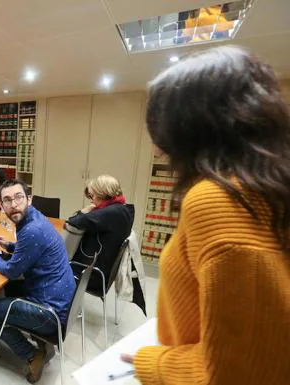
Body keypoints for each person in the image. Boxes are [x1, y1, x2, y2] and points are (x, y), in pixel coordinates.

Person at [121, 46, 290, 384]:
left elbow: (239, 372)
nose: (157, 148)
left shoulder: (217, 201)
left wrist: (152, 362)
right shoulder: (270, 190)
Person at [0, 180, 75, 383]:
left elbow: (12, 271)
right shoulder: (36, 218)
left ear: (29, 199)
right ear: (1, 204)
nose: (13, 204)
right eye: (7, 200)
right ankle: (37, 336)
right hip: (58, 297)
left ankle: (32, 354)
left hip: (51, 313)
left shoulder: (32, 230)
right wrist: (10, 246)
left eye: (18, 197)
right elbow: (33, 248)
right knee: (10, 289)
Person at [66, 175, 134, 293]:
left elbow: (73, 222)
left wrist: (83, 211)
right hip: (102, 270)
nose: (91, 200)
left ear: (102, 194)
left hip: (91, 274)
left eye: (92, 196)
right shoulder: (123, 208)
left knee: (51, 265)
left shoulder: (110, 213)